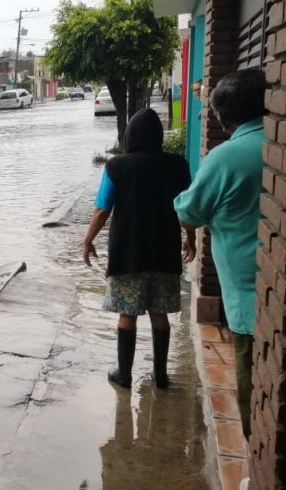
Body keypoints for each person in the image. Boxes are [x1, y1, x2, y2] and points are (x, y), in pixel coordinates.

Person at [174, 68, 268, 437]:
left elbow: (187, 210)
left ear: (222, 116)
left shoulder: (225, 157)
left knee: (251, 381)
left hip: (249, 292)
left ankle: (254, 455)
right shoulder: (272, 143)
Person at [83, 108, 192, 389]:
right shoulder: (177, 165)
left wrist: (87, 240)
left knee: (127, 314)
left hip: (128, 254)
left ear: (130, 135)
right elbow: (186, 207)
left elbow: (101, 209)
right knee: (160, 313)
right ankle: (161, 375)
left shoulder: (116, 167)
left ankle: (125, 374)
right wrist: (190, 238)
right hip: (165, 252)